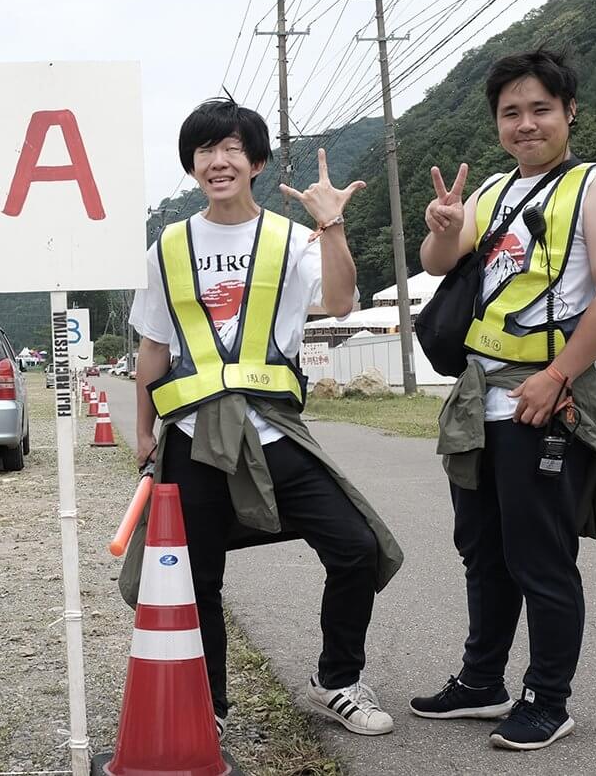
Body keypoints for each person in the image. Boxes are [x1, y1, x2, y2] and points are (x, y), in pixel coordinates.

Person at [412, 48, 596, 751]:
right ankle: (483, 680)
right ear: (497, 123)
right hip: (481, 400)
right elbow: (438, 264)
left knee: (540, 555)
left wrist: (560, 373)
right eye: (512, 112)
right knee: (482, 548)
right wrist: (444, 230)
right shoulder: (496, 192)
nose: (526, 123)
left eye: (541, 109)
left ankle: (548, 696)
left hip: (543, 399)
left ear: (569, 111)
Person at [121, 98, 404, 740]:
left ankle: (337, 680)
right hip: (193, 438)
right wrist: (142, 432)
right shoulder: (165, 247)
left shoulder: (292, 238)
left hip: (274, 433)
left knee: (355, 547)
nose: (218, 161)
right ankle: (210, 709)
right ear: (192, 165)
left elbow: (338, 301)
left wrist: (331, 227)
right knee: (195, 580)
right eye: (204, 151)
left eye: (231, 149)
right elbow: (153, 349)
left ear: (255, 161)